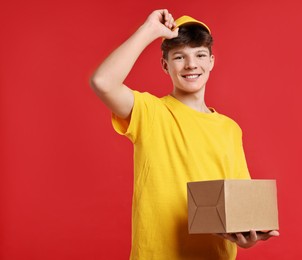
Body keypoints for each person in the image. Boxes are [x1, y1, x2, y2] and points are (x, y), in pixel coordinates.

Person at [90, 9, 279, 260]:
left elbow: (240, 206)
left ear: (211, 61)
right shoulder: (151, 112)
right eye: (179, 57)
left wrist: (247, 238)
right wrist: (149, 30)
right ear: (165, 65)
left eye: (200, 54)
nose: (191, 64)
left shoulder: (230, 129)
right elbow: (103, 82)